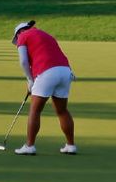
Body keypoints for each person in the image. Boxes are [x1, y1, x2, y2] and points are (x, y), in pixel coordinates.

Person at [10, 20, 77, 156]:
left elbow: (23, 61)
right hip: (65, 71)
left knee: (35, 110)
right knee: (62, 110)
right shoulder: (47, 35)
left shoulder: (23, 36)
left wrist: (30, 80)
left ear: (18, 33)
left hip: (47, 72)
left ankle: (29, 146)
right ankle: (71, 146)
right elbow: (56, 55)